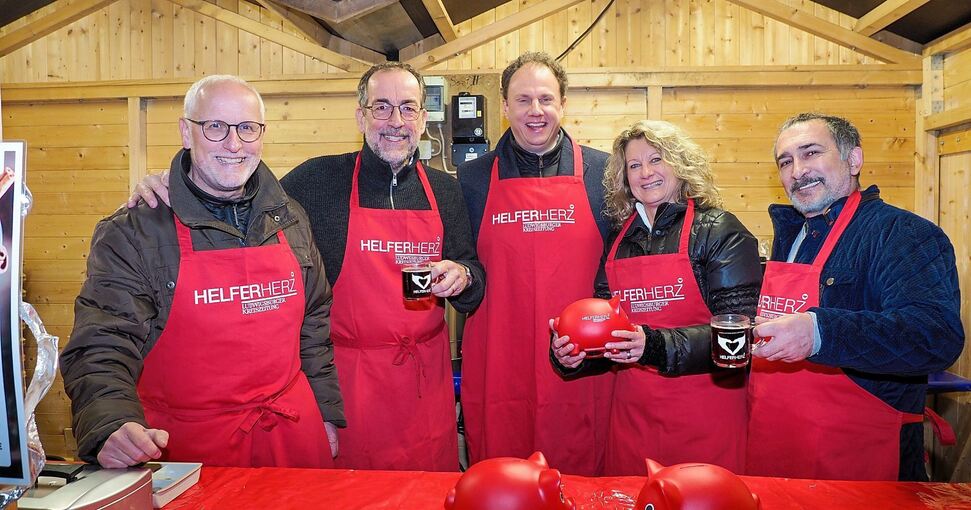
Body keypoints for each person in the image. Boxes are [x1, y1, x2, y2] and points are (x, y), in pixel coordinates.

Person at [127, 62, 484, 472]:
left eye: (407, 108)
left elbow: (475, 278)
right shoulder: (317, 180)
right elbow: (236, 191)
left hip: (424, 387)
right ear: (360, 115)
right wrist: (172, 183)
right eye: (381, 107)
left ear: (422, 119)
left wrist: (464, 275)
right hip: (348, 385)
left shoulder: (446, 190)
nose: (395, 121)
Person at [61, 75, 343, 468]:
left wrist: (326, 412)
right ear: (185, 132)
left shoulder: (290, 217)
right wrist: (109, 422)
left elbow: (313, 323)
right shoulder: (135, 230)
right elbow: (102, 343)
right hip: (186, 454)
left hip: (291, 439)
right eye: (215, 127)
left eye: (247, 128)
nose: (234, 144)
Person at [747, 113, 964, 481]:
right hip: (775, 448)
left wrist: (819, 332)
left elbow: (935, 336)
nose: (798, 170)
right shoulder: (789, 236)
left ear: (854, 160)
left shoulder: (901, 233)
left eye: (811, 153)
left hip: (858, 457)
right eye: (786, 161)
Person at [550, 120, 761, 475]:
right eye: (634, 165)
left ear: (680, 165)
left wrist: (652, 346)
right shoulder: (619, 241)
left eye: (657, 160)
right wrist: (574, 355)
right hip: (634, 422)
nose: (645, 173)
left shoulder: (718, 230)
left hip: (706, 418)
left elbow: (738, 341)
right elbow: (607, 334)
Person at [456, 52, 612, 476]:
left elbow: (617, 267)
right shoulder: (471, 179)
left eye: (546, 98)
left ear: (563, 103)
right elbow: (465, 269)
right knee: (502, 483)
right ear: (504, 107)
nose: (536, 111)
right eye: (523, 100)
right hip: (498, 363)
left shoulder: (603, 173)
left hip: (583, 363)